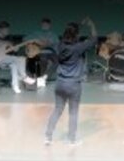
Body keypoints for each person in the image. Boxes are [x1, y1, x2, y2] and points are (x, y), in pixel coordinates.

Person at [45, 18, 98, 146]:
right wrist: (91, 24)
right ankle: (71, 139)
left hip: (60, 84)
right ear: (77, 35)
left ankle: (48, 137)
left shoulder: (59, 45)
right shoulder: (78, 47)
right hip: (73, 85)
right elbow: (94, 39)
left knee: (57, 110)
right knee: (73, 112)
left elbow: (48, 45)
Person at [0, 21, 29, 93]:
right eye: (6, 29)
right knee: (20, 59)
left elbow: (12, 52)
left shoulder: (9, 39)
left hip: (6, 59)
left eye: (8, 29)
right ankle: (24, 77)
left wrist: (14, 49)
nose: (8, 31)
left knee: (14, 65)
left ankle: (15, 86)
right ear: (0, 30)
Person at [25, 18, 60, 88]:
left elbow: (58, 44)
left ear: (50, 25)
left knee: (57, 61)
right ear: (41, 25)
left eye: (47, 25)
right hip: (40, 52)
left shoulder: (53, 35)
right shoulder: (36, 33)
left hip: (51, 52)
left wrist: (50, 44)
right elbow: (25, 39)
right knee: (43, 60)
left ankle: (45, 77)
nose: (45, 26)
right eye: (44, 25)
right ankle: (40, 77)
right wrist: (37, 42)